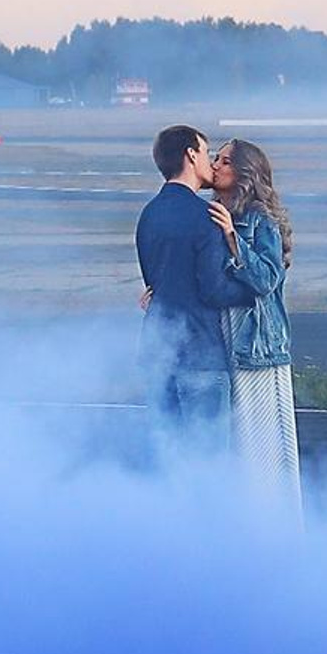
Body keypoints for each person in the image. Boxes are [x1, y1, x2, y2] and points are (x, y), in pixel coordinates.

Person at [133, 123, 244, 436]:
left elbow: (155, 282)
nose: (211, 163)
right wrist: (255, 289)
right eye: (207, 153)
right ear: (191, 155)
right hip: (199, 353)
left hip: (157, 351)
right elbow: (214, 291)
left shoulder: (149, 214)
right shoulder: (206, 216)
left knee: (169, 457)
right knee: (206, 461)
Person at [212, 137, 302, 512]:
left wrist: (234, 239)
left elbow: (267, 278)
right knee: (235, 438)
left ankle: (272, 520)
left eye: (225, 161)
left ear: (245, 173)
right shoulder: (215, 211)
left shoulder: (258, 220)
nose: (215, 165)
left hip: (256, 344)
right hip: (229, 337)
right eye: (214, 158)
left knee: (261, 441)